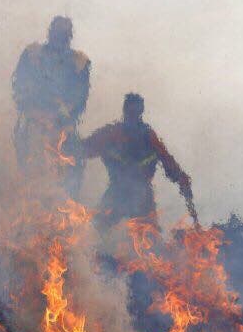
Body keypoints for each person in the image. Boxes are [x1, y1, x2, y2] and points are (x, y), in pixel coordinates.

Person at [83, 93, 197, 231]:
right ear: (125, 111)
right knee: (96, 229)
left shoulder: (149, 137)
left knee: (149, 238)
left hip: (142, 196)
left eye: (135, 112)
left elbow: (169, 164)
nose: (132, 116)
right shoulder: (112, 134)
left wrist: (182, 180)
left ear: (140, 112)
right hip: (117, 193)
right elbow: (84, 149)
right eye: (130, 111)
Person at [12, 16, 90, 198]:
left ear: (69, 37)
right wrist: (37, 108)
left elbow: (80, 97)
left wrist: (64, 113)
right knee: (29, 172)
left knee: (73, 167)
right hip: (35, 123)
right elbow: (20, 87)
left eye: (63, 35)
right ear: (50, 33)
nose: (59, 38)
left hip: (63, 125)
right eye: (56, 33)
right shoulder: (32, 54)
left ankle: (67, 206)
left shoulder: (79, 62)